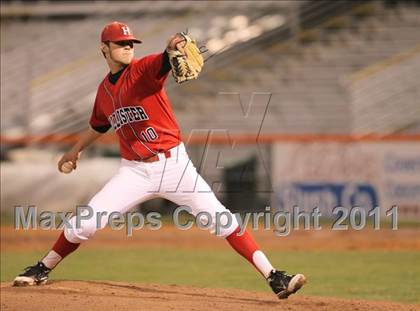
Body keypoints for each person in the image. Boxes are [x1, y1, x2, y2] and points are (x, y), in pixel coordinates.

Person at [13, 21, 306, 299]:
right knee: (85, 223)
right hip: (135, 172)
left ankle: (274, 276)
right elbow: (99, 125)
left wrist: (174, 44)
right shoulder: (103, 92)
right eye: (121, 43)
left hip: (175, 167)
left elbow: (165, 58)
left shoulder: (143, 70)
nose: (128, 46)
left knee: (222, 219)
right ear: (105, 48)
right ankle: (43, 268)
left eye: (131, 42)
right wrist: (74, 150)